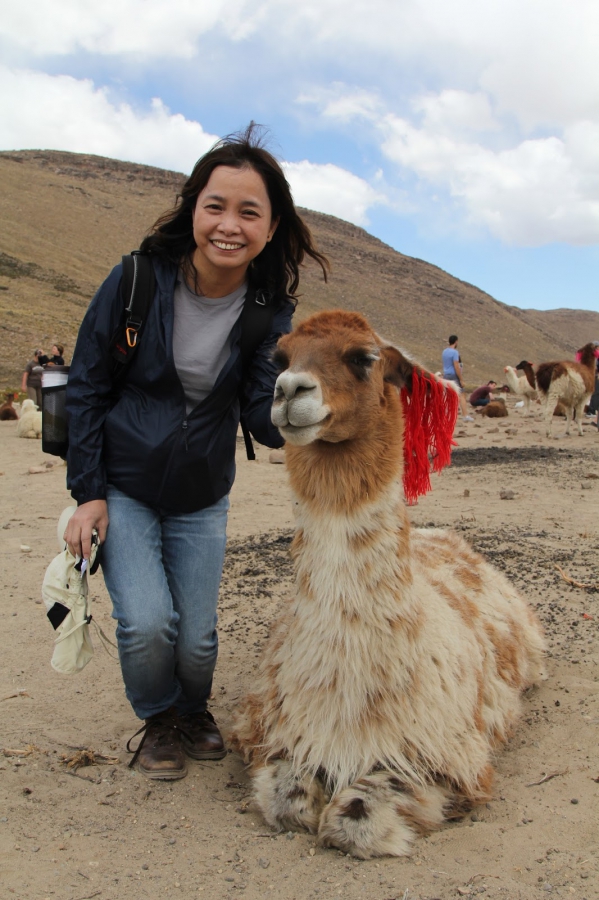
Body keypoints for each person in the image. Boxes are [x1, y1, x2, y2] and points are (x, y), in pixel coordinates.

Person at [64, 124, 329, 781]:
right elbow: (88, 389)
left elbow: (257, 413)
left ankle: (193, 710)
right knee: (148, 625)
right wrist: (89, 493)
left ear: (271, 227)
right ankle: (159, 719)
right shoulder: (136, 282)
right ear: (193, 209)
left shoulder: (268, 311)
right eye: (216, 206)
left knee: (198, 635)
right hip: (124, 484)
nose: (229, 224)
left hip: (202, 493)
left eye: (249, 211)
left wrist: (306, 417)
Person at [441, 335, 473, 421]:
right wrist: (461, 379)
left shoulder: (444, 351)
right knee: (461, 395)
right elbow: (456, 366)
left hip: (446, 375)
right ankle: (465, 415)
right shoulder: (455, 352)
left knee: (448, 395)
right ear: (456, 342)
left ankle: (446, 415)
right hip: (453, 375)